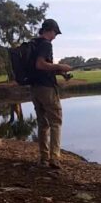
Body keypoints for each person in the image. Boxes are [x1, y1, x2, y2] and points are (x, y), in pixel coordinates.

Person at [30, 19, 72, 169]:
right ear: (49, 30)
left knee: (43, 124)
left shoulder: (33, 44)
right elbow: (40, 64)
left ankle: (43, 158)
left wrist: (61, 72)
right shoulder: (46, 44)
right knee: (56, 122)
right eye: (55, 33)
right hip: (47, 89)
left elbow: (41, 67)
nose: (55, 36)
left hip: (34, 89)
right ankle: (54, 158)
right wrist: (61, 65)